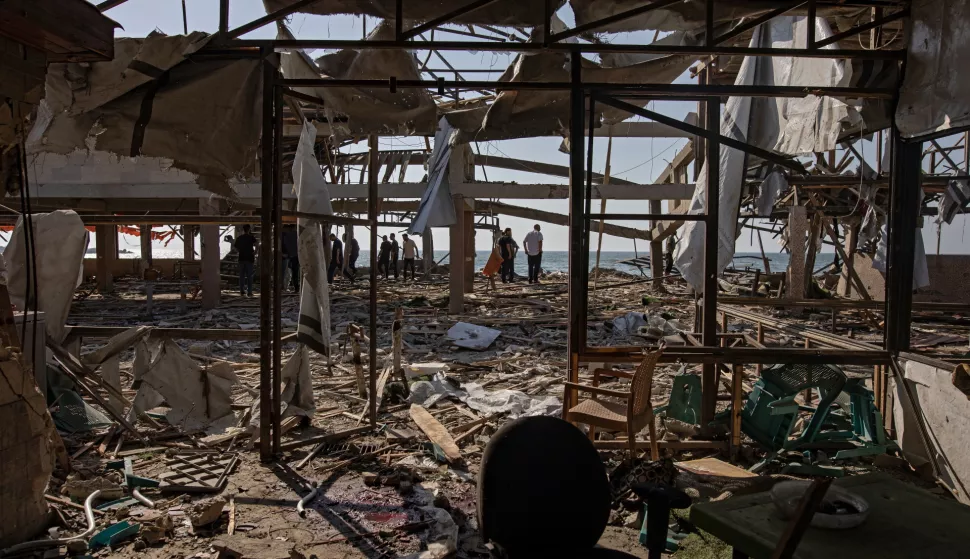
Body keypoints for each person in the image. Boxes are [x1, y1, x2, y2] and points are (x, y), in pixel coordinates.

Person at [234, 224, 258, 297]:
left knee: (241, 275)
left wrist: (239, 251)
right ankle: (249, 292)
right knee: (249, 276)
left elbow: (235, 248)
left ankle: (242, 291)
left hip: (241, 258)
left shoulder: (240, 238)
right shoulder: (251, 237)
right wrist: (255, 252)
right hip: (249, 258)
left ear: (243, 229)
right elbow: (257, 244)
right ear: (249, 229)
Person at [281, 224, 300, 293]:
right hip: (295, 256)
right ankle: (296, 288)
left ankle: (285, 287)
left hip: (288, 256)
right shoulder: (297, 235)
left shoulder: (285, 235)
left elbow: (285, 244)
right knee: (294, 273)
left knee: (287, 273)